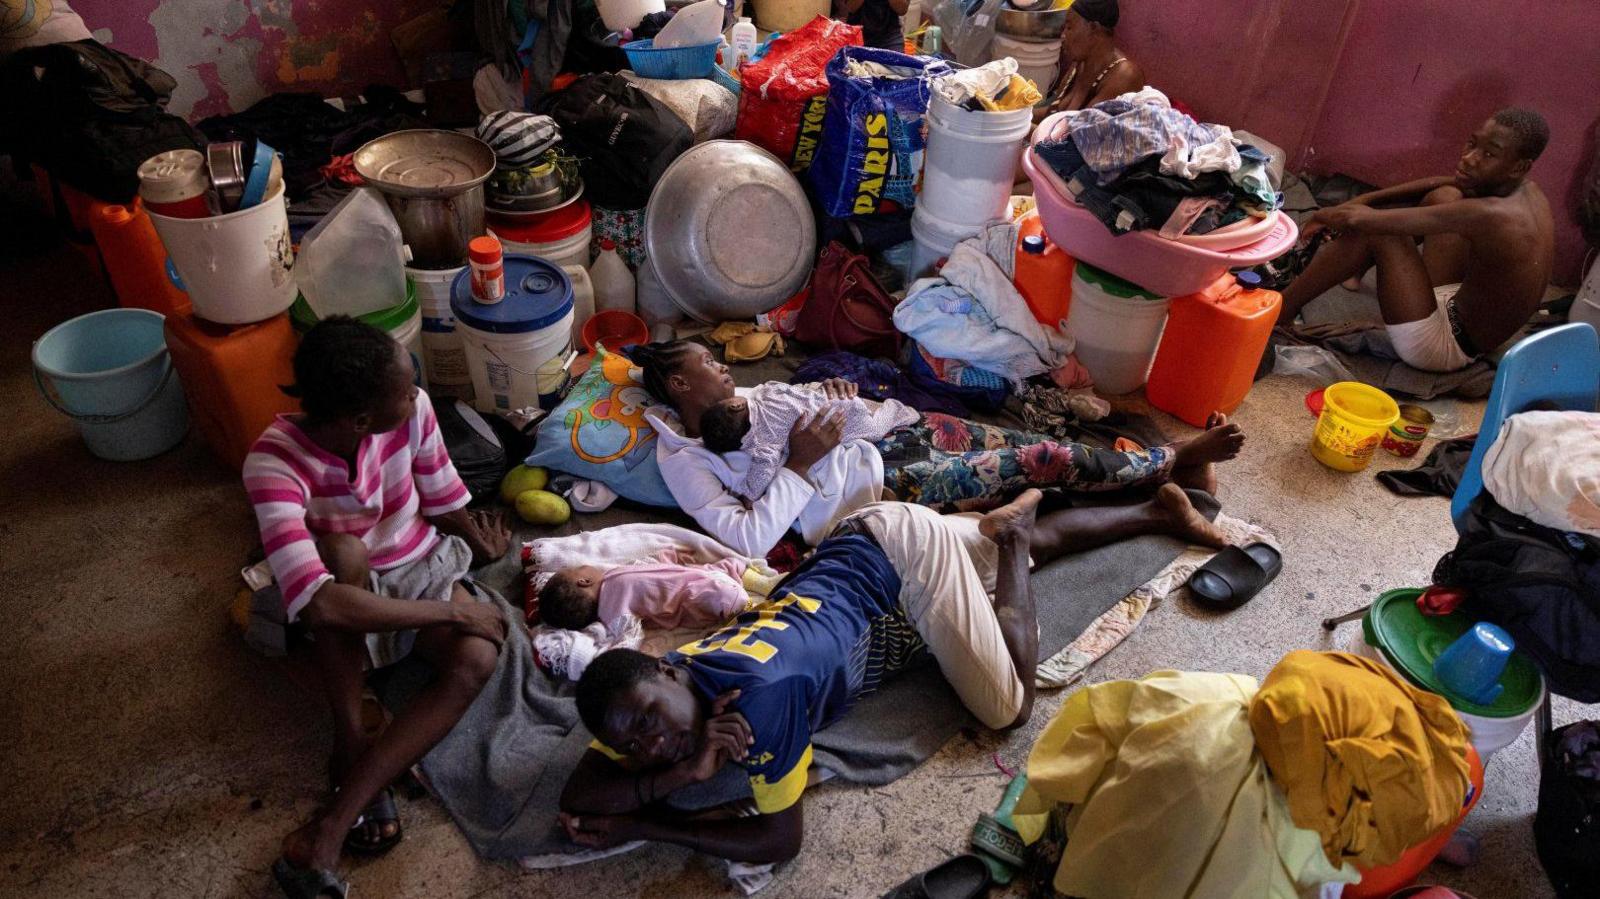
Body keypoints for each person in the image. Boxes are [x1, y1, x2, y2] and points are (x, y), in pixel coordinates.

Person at [556, 489, 1228, 862]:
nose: (651, 744)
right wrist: (675, 774)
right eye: (633, 745)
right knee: (985, 572)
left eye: (649, 723)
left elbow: (778, 840)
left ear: (672, 667)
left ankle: (1016, 536)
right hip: (862, 547)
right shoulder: (665, 689)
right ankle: (1157, 512)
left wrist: (651, 823)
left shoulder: (759, 705)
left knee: (1009, 706)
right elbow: (586, 788)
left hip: (899, 560)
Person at [245, 318, 513, 896]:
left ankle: (350, 780)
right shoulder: (272, 464)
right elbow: (319, 605)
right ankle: (347, 751)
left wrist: (475, 540)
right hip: (342, 581)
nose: (416, 393)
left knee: (476, 659)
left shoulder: (412, 414)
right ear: (360, 420)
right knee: (344, 554)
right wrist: (453, 612)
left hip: (416, 561)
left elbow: (438, 492)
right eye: (404, 386)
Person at [631, 340, 1243, 557]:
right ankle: (1173, 461)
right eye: (709, 363)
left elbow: (799, 403)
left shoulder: (750, 394)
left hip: (892, 431)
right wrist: (797, 464)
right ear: (680, 385)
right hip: (879, 486)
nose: (724, 369)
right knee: (1038, 464)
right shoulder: (681, 459)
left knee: (1035, 445)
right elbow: (745, 539)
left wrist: (838, 395)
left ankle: (1166, 474)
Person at [1279, 108, 1554, 372]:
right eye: (1472, 143)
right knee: (1444, 196)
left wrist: (1325, 215)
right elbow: (1444, 183)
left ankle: (1279, 314)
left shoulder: (1492, 214)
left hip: (1443, 347)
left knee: (1380, 231)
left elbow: (1360, 221)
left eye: (1489, 154)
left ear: (1519, 166)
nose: (1470, 158)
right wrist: (1365, 198)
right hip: (1457, 306)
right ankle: (1355, 269)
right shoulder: (1528, 191)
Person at [698, 382, 917, 500]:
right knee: (872, 427)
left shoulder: (763, 441)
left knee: (875, 430)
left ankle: (898, 411)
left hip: (840, 418)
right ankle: (899, 411)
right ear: (736, 405)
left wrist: (747, 494)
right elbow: (784, 388)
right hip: (836, 408)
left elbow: (763, 470)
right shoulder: (765, 395)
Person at [539, 556, 758, 632]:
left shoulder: (608, 613)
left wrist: (666, 558)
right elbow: (627, 637)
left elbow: (646, 570)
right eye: (579, 567)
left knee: (719, 573)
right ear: (584, 581)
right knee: (721, 590)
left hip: (690, 581)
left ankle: (754, 583)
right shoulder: (613, 594)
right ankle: (748, 608)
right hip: (693, 593)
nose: (585, 565)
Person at [1042, 0, 1144, 115]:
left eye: (1069, 27)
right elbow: (1051, 113)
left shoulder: (1124, 76)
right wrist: (1019, 113)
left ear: (1093, 28)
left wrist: (1025, 126)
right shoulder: (1080, 64)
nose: (1063, 35)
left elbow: (1079, 129)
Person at [834, 0, 908, 52]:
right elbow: (850, 8)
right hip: (858, 36)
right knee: (854, 71)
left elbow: (902, 10)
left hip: (890, 36)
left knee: (898, 69)